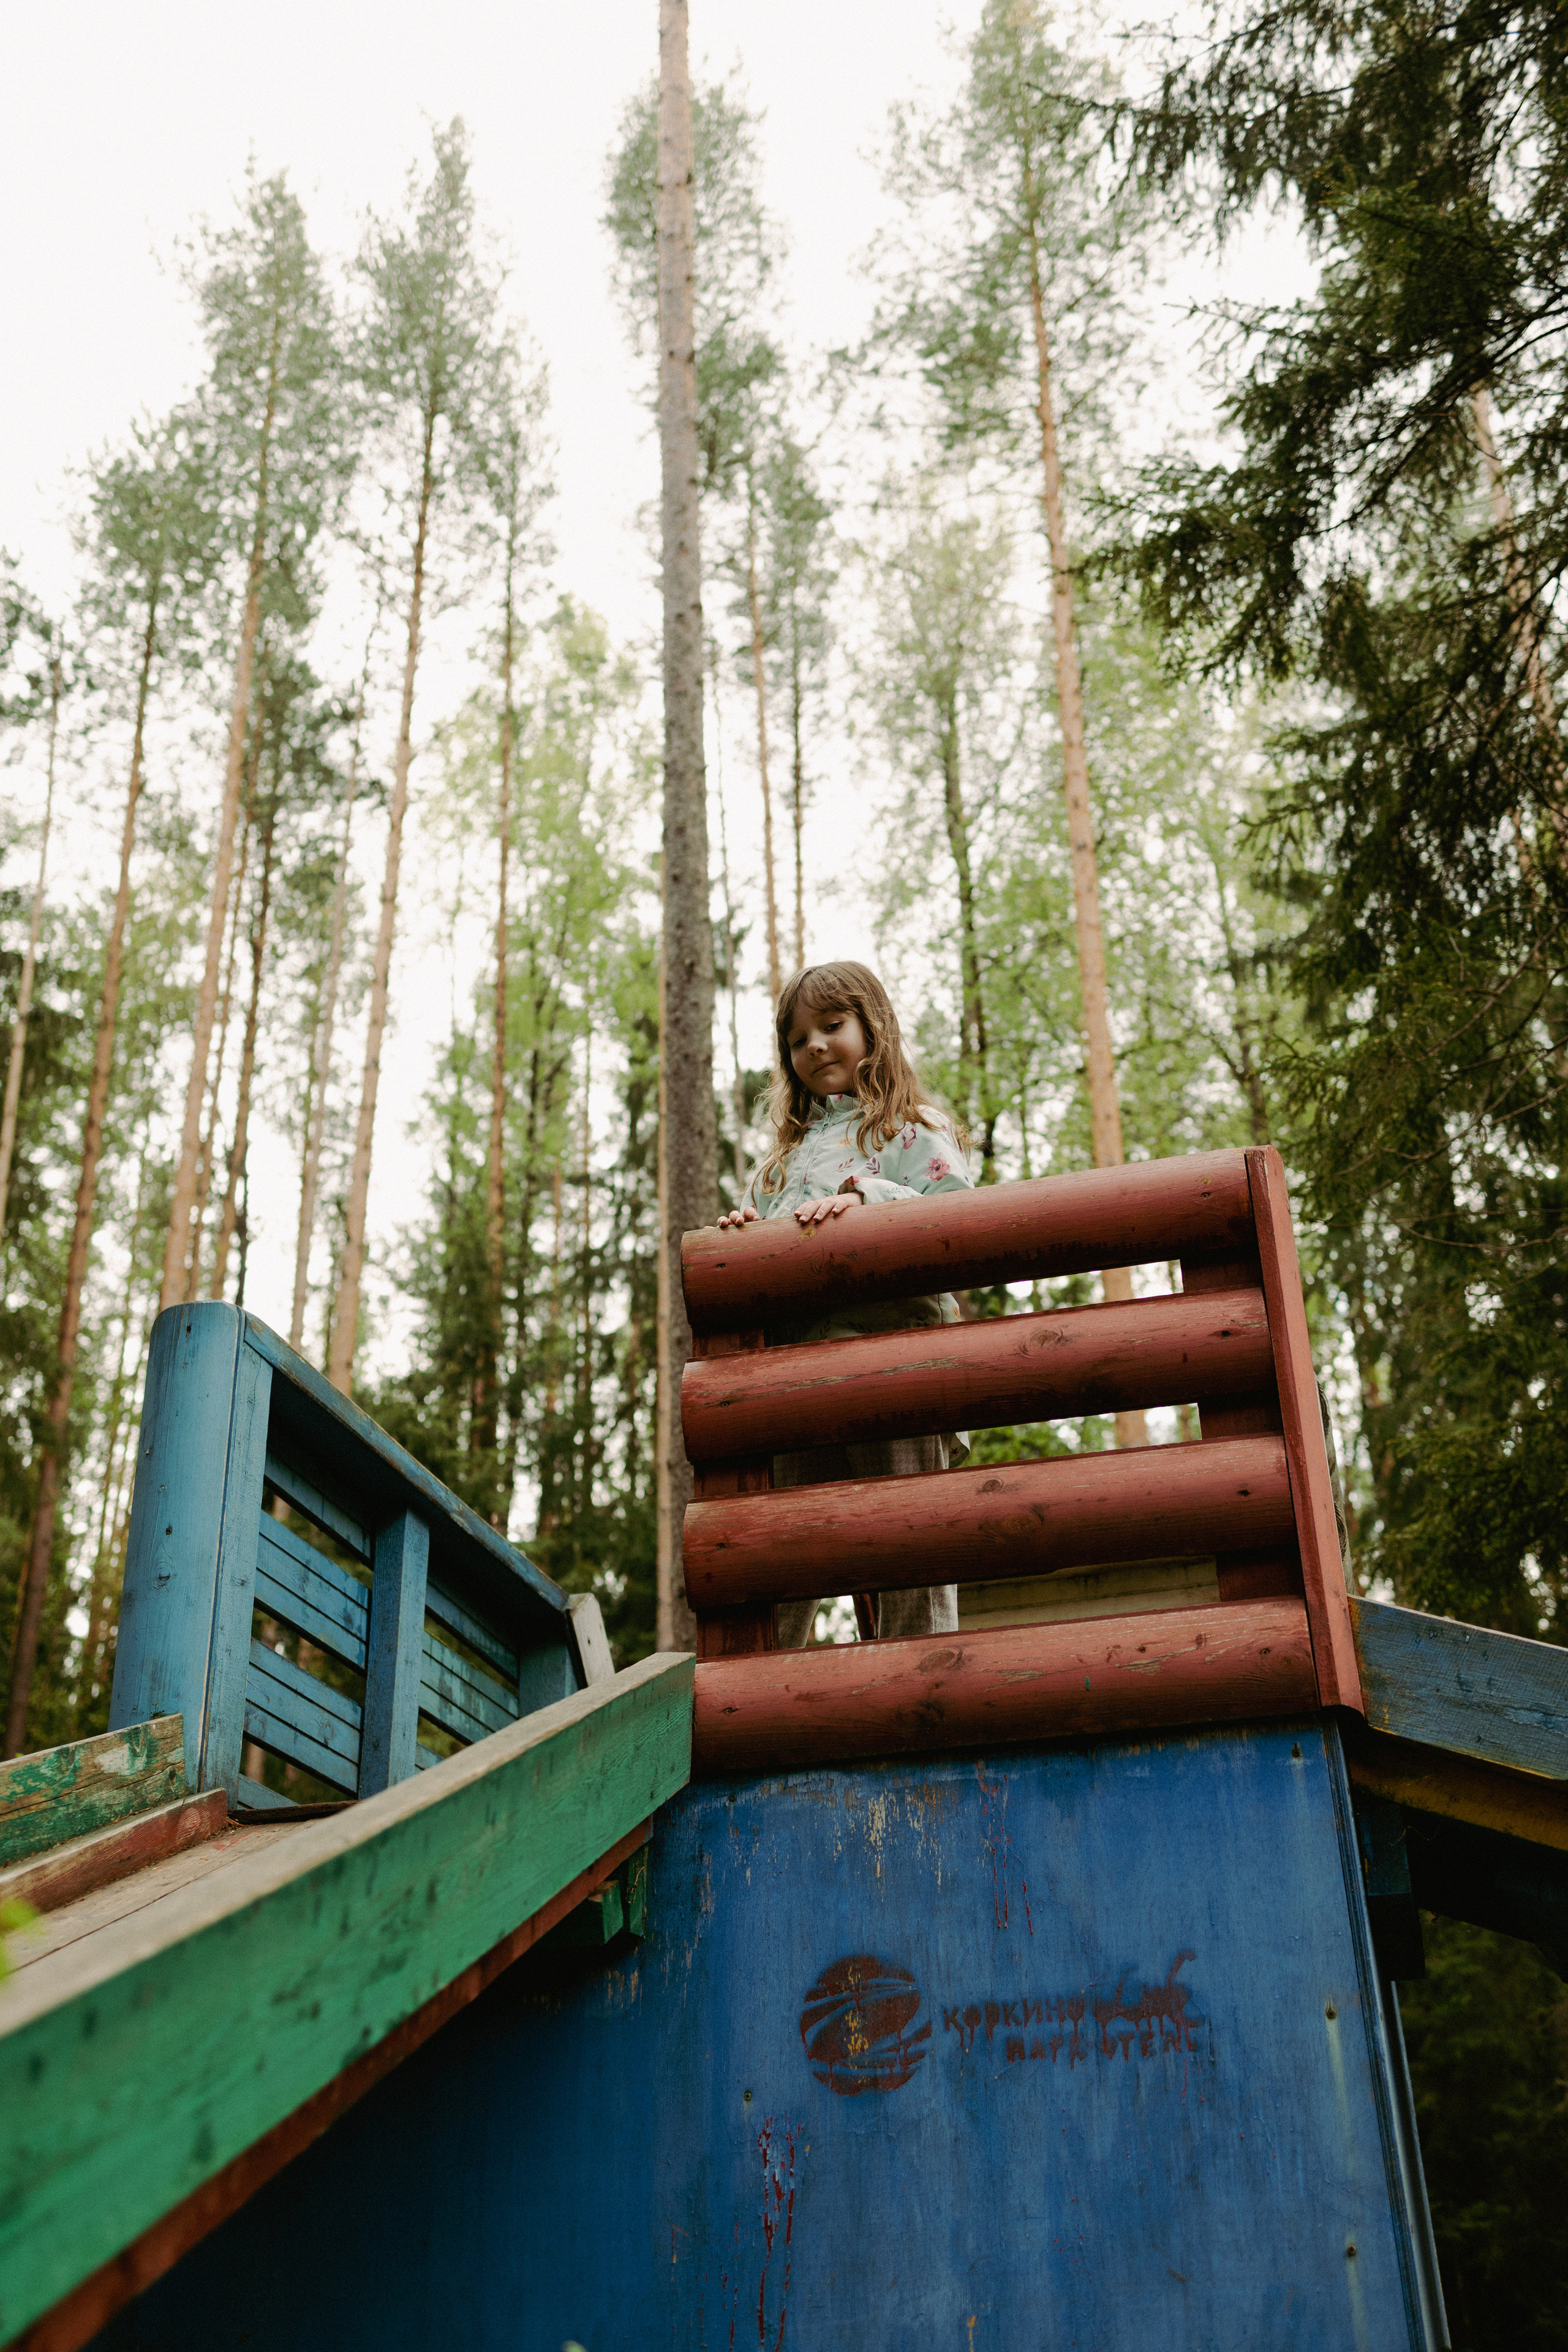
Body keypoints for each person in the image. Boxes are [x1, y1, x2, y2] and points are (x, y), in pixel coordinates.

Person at [717, 959, 973, 1646]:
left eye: (832, 1026)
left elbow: (958, 1219)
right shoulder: (780, 1164)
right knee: (789, 1542)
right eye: (798, 1039)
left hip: (894, 1366)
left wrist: (869, 1198)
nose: (816, 1046)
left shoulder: (909, 1129)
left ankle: (923, 1676)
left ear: (873, 1028)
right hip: (796, 1379)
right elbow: (759, 1256)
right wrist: (745, 1234)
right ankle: (764, 1681)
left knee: (908, 1534)